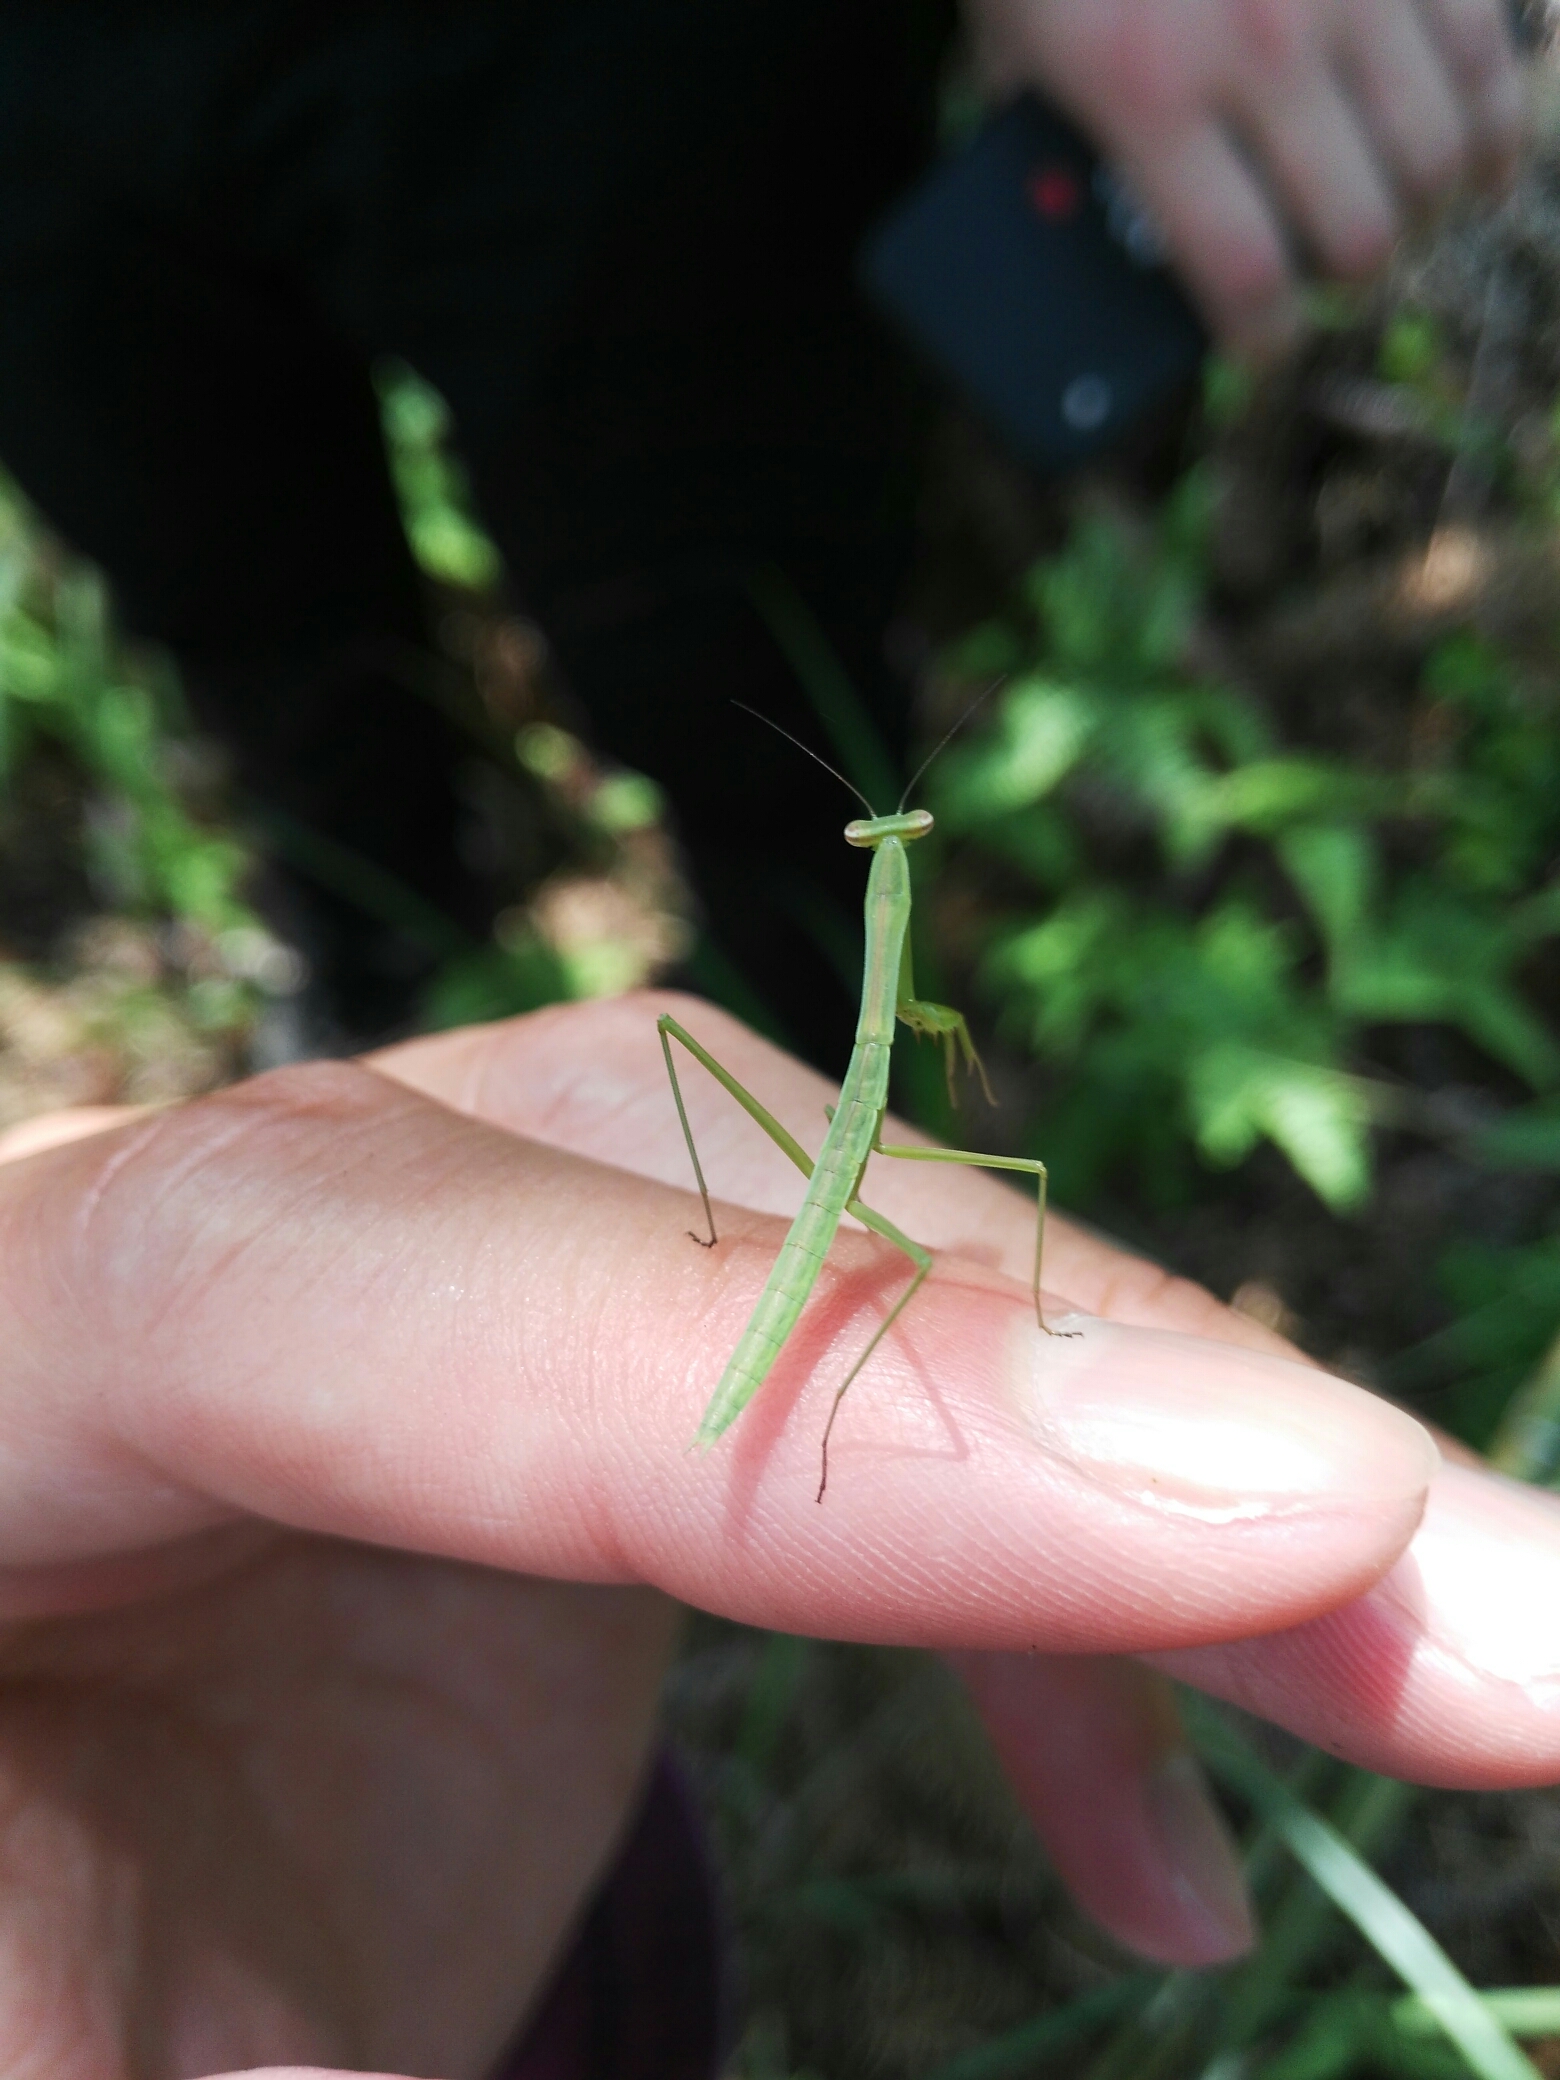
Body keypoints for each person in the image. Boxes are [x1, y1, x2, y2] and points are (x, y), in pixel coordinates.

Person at [0, 1, 1541, 2073]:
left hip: (579, 78)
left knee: (810, 996)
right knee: (275, 614)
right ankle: (378, 916)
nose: (898, 826)